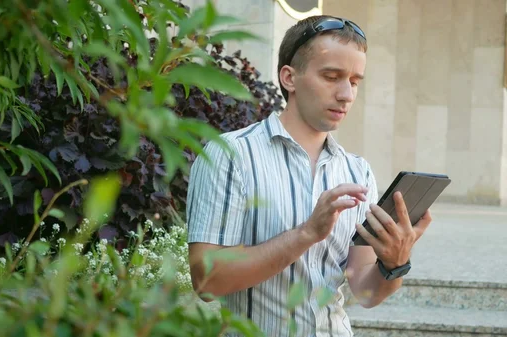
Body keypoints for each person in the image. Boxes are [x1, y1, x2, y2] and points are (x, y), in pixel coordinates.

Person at [185, 15, 432, 337]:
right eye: (332, 76)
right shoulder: (229, 155)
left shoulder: (358, 171)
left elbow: (366, 293)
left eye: (355, 81)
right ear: (289, 77)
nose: (346, 94)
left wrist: (395, 263)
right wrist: (306, 234)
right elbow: (207, 282)